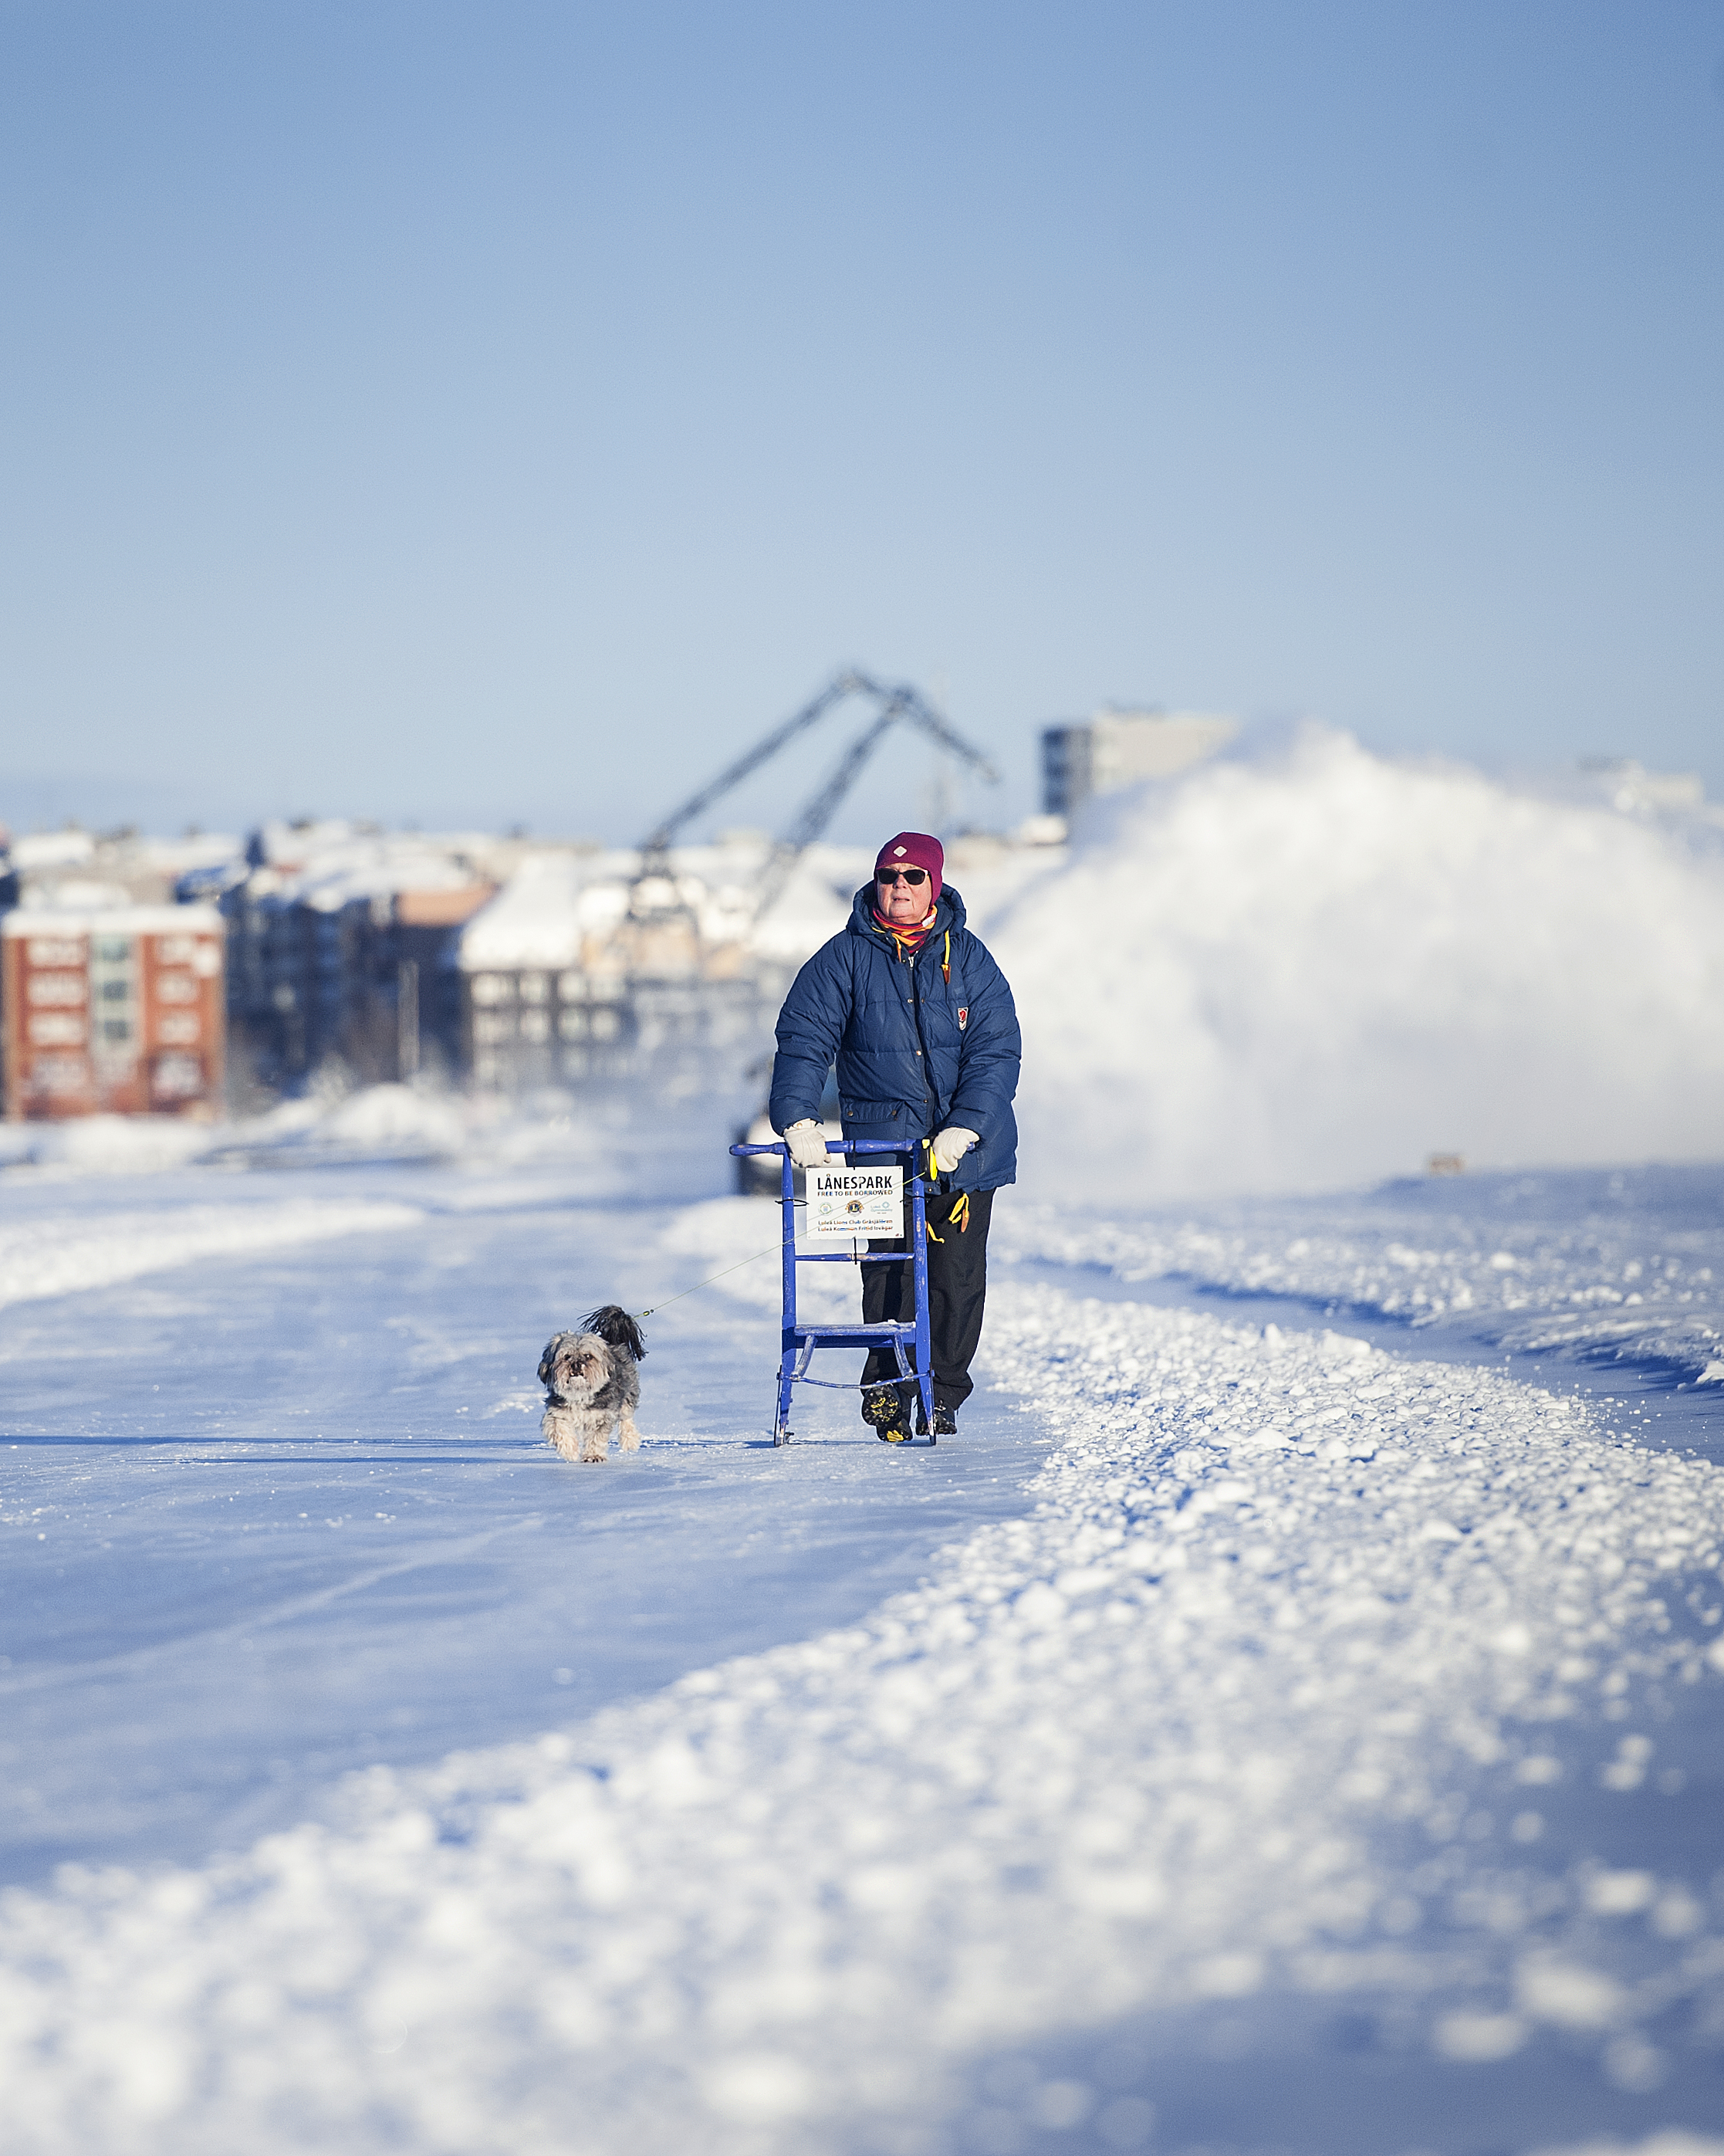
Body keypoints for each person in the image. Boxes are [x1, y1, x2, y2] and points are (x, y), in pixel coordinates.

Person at [769, 831, 1021, 1441]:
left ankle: (944, 1394)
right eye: (889, 877)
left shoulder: (970, 959)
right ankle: (888, 1389)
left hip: (965, 1157)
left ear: (934, 885)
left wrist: (965, 1126)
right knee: (887, 1273)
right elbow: (804, 1041)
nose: (899, 888)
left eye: (912, 879)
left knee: (956, 1279)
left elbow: (996, 1051)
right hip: (882, 1152)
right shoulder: (843, 957)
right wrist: (798, 1118)